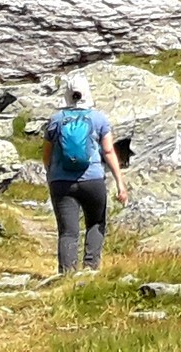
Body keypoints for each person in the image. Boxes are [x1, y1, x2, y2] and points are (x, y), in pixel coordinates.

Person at [41, 75, 128, 277]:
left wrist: (51, 176)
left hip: (61, 183)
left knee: (68, 231)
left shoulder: (55, 121)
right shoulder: (99, 119)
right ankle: (90, 271)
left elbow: (46, 156)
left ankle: (67, 275)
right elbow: (108, 152)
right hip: (93, 181)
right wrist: (120, 184)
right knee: (96, 223)